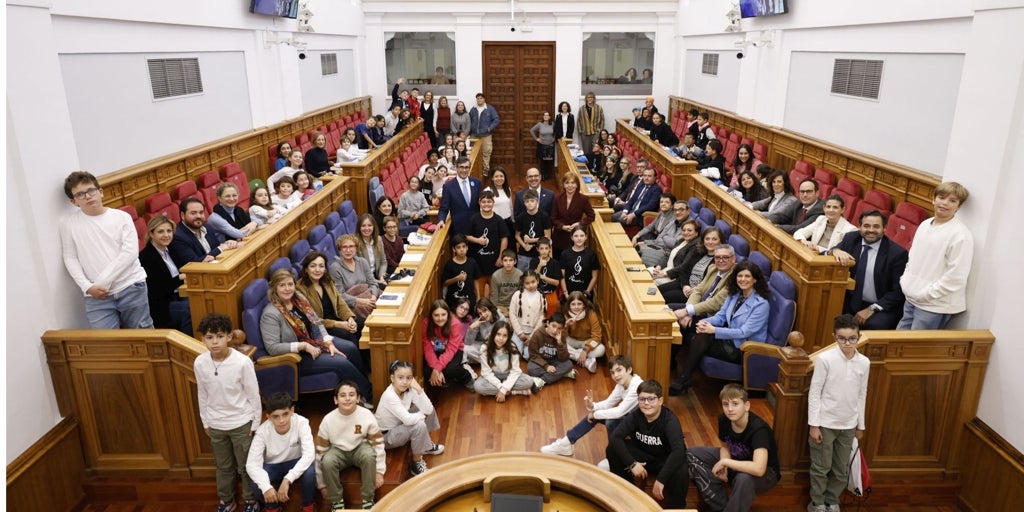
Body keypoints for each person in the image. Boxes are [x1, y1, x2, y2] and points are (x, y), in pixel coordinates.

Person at [60, 171, 153, 329]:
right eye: (80, 194)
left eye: (91, 191)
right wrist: (87, 287)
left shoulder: (121, 217)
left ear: (100, 192)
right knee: (106, 344)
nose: (88, 196)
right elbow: (70, 257)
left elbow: (129, 253)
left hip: (130, 285)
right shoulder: (68, 224)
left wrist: (102, 282)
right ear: (73, 201)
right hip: (94, 294)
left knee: (143, 336)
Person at [261, 269, 373, 401]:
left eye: (290, 284)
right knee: (341, 362)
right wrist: (303, 346)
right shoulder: (270, 314)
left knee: (351, 348)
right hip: (299, 357)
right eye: (282, 285)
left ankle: (361, 389)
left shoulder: (299, 299)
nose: (287, 289)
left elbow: (317, 323)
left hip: (316, 342)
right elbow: (272, 347)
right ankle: (370, 396)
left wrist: (328, 342)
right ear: (274, 288)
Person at [193, 313, 262, 512]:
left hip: (242, 423)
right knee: (223, 467)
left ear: (229, 337)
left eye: (220, 336)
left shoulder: (242, 362)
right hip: (216, 424)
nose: (215, 342)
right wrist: (205, 421)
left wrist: (255, 423)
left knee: (246, 466)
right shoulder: (200, 362)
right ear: (202, 339)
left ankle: (250, 500)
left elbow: (253, 395)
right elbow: (202, 393)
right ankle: (226, 500)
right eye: (209, 337)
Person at [675, 261, 770, 394]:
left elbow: (744, 332)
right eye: (739, 276)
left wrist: (713, 330)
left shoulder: (761, 304)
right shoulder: (734, 294)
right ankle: (683, 377)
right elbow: (720, 317)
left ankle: (683, 378)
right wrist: (704, 322)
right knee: (700, 332)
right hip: (729, 340)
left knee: (703, 337)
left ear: (755, 280)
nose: (743, 279)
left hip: (743, 348)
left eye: (747, 276)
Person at [807, 314, 870, 512]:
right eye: (842, 338)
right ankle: (817, 503)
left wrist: (861, 425)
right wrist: (814, 425)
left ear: (858, 337)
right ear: (834, 337)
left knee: (841, 469)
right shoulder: (825, 359)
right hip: (825, 424)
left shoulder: (864, 362)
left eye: (852, 338)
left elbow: (862, 394)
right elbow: (815, 392)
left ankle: (832, 501)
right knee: (821, 468)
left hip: (848, 425)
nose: (847, 343)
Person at [688, 383, 780, 512]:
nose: (730, 409)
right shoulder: (724, 419)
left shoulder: (759, 429)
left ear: (747, 406)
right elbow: (726, 446)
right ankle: (721, 505)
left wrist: (725, 462)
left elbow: (759, 469)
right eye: (726, 404)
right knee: (691, 453)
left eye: (735, 404)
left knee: (743, 479)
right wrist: (725, 466)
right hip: (736, 461)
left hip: (765, 474)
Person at [897, 182, 974, 330]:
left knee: (915, 349)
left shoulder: (960, 235)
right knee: (897, 343)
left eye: (952, 201)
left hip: (934, 305)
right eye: (942, 197)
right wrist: (905, 282)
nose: (945, 203)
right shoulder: (925, 224)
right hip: (911, 296)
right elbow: (913, 258)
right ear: (933, 199)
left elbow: (956, 276)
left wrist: (927, 294)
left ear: (959, 206)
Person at [606, 379, 689, 509]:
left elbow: (678, 451)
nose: (646, 403)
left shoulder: (669, 420)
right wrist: (632, 463)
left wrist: (661, 479)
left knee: (682, 471)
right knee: (612, 449)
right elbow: (616, 437)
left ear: (660, 401)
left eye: (651, 399)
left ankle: (674, 508)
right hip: (643, 457)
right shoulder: (636, 416)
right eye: (642, 399)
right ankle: (626, 493)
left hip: (664, 460)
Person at [541, 355, 642, 456]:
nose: (616, 375)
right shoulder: (622, 384)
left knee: (611, 420)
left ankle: (614, 456)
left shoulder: (637, 387)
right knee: (600, 415)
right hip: (631, 419)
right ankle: (565, 444)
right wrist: (592, 406)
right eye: (612, 373)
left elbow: (619, 412)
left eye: (619, 370)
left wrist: (595, 414)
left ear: (629, 370)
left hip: (643, 428)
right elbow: (608, 403)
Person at [829, 210, 908, 329]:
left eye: (876, 226)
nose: (871, 230)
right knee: (828, 309)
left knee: (874, 324)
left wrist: (873, 308)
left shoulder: (897, 254)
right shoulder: (851, 238)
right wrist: (835, 250)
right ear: (859, 227)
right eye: (866, 226)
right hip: (851, 299)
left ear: (884, 228)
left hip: (881, 304)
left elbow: (898, 291)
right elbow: (835, 249)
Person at [315, 381, 385, 511]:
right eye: (342, 395)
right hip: (338, 451)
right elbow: (320, 452)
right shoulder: (328, 420)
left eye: (352, 395)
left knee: (369, 455)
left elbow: (378, 443)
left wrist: (379, 472)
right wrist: (322, 484)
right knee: (327, 461)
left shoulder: (366, 415)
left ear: (358, 398)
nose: (347, 398)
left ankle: (368, 500)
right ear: (336, 400)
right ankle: (337, 502)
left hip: (359, 447)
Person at [244, 392, 317, 512]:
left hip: (295, 461)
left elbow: (309, 454)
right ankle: (273, 508)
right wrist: (266, 487)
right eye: (276, 416)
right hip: (273, 466)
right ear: (268, 417)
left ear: (292, 411)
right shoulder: (262, 431)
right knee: (254, 482)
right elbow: (251, 464)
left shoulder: (302, 423)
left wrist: (287, 479)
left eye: (285, 414)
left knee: (310, 473)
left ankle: (307, 505)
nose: (282, 420)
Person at [376, 360, 446, 476]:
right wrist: (421, 416)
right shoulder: (389, 396)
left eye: (409, 378)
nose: (405, 382)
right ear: (392, 378)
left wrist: (419, 389)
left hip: (399, 425)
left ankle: (425, 445)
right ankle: (416, 463)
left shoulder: (410, 389)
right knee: (419, 424)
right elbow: (408, 420)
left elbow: (428, 409)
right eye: (400, 378)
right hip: (386, 436)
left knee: (427, 409)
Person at [296, 251, 365, 361]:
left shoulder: (327, 281)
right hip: (321, 326)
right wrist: (339, 324)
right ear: (306, 269)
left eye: (321, 266)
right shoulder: (300, 289)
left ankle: (369, 362)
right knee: (346, 334)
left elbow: (340, 302)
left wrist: (349, 318)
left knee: (363, 323)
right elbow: (312, 320)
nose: (317, 270)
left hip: (337, 318)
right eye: (313, 266)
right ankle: (360, 364)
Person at [138, 216, 192, 334]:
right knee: (191, 308)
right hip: (162, 304)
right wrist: (180, 278)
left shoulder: (171, 248)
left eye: (169, 231)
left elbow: (184, 267)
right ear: (151, 234)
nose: (166, 235)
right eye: (160, 232)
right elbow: (157, 289)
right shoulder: (145, 257)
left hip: (180, 294)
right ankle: (188, 346)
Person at [658, 226, 724, 305]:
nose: (710, 242)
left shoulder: (720, 260)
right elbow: (683, 269)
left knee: (664, 297)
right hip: (683, 284)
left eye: (714, 239)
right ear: (703, 240)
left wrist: (692, 289)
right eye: (707, 239)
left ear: (720, 241)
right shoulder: (697, 252)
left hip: (694, 293)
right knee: (657, 291)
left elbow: (710, 284)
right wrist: (685, 285)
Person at [169, 197, 240, 268]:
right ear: (182, 215)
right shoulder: (177, 236)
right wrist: (221, 248)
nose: (198, 216)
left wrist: (227, 243)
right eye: (193, 213)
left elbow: (216, 247)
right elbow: (193, 263)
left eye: (201, 212)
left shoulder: (207, 227)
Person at [474, 320, 536, 398]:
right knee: (478, 386)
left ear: (508, 337)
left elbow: (515, 371)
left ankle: (503, 391)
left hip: (508, 374)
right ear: (493, 334)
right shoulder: (485, 348)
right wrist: (502, 387)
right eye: (498, 334)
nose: (501, 338)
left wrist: (504, 388)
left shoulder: (513, 348)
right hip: (493, 374)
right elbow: (486, 372)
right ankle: (511, 391)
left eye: (505, 335)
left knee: (528, 382)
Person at [422, 299, 473, 389]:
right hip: (436, 349)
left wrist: (437, 369)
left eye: (443, 315)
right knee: (425, 370)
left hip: (455, 350)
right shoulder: (426, 323)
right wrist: (436, 369)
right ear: (431, 316)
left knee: (450, 369)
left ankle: (467, 377)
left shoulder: (455, 323)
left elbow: (451, 349)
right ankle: (443, 379)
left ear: (448, 314)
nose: (440, 318)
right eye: (436, 315)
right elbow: (427, 348)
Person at [329, 234, 381, 321]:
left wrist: (373, 297)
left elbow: (373, 283)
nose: (348, 250)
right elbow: (339, 295)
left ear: (356, 248)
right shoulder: (335, 268)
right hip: (351, 305)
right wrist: (361, 301)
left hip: (369, 298)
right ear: (339, 250)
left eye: (351, 246)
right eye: (344, 247)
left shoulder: (362, 262)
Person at [467, 190, 510, 288]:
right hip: (478, 261)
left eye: (489, 201)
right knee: (479, 292)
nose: (486, 204)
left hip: (494, 261)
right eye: (484, 202)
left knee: (494, 292)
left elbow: (504, 239)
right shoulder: (474, 219)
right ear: (479, 202)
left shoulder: (499, 220)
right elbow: (467, 236)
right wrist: (478, 240)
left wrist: (501, 257)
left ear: (493, 202)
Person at [793, 195, 857, 254]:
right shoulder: (821, 219)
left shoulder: (850, 230)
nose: (831, 210)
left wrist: (817, 248)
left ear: (842, 210)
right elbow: (799, 232)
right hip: (812, 255)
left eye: (835, 207)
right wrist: (804, 241)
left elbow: (840, 253)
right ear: (824, 208)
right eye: (828, 207)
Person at [551, 172, 597, 254]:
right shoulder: (557, 198)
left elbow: (591, 216)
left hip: (575, 238)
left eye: (573, 183)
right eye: (567, 183)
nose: (570, 185)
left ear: (577, 185)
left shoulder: (583, 199)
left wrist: (579, 223)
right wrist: (562, 226)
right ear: (563, 185)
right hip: (559, 237)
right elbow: (553, 218)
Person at [526, 313, 575, 389]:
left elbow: (564, 358)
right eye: (553, 326)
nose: (555, 331)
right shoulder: (537, 334)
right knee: (531, 369)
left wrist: (560, 343)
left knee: (568, 365)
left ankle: (542, 380)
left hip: (555, 360)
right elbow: (533, 355)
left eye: (559, 328)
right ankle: (562, 374)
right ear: (548, 323)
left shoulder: (562, 336)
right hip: (540, 359)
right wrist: (546, 366)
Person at [633, 193, 681, 268]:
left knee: (641, 244)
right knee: (641, 237)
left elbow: (665, 240)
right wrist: (636, 236)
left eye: (666, 202)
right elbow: (650, 227)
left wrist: (644, 242)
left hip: (662, 244)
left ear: (672, 205)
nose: (663, 204)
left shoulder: (673, 218)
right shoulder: (661, 213)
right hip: (656, 238)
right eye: (661, 202)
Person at [436, 156, 481, 236]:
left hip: (476, 226)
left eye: (466, 167)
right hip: (459, 228)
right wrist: (441, 220)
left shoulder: (477, 183)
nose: (464, 170)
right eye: (461, 167)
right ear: (456, 168)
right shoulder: (448, 187)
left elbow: (481, 202)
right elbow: (443, 208)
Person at [562, 291, 605, 373]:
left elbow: (597, 337)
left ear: (584, 305)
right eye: (573, 304)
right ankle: (586, 362)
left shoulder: (591, 314)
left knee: (601, 349)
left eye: (579, 304)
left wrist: (585, 350)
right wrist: (566, 326)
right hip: (572, 340)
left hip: (587, 341)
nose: (576, 307)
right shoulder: (566, 314)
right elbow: (561, 336)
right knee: (558, 344)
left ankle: (577, 355)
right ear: (569, 306)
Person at [651, 218, 701, 287]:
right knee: (645, 272)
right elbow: (668, 255)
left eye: (689, 230)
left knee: (652, 282)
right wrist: (659, 267)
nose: (686, 232)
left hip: (675, 276)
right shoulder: (682, 240)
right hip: (664, 269)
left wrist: (664, 273)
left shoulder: (695, 246)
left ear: (696, 233)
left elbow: (683, 266)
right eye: (684, 230)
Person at [509, 270, 546, 358]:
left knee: (528, 356)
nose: (530, 285)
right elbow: (512, 313)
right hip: (519, 332)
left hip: (533, 334)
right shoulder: (517, 295)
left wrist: (532, 336)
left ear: (537, 280)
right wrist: (520, 333)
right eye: (527, 283)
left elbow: (542, 317)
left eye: (533, 282)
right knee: (513, 355)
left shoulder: (542, 298)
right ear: (523, 283)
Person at [441, 233, 482, 310]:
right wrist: (457, 278)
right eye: (458, 247)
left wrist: (478, 297)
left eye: (464, 246)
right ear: (454, 249)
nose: (461, 249)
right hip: (453, 301)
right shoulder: (449, 264)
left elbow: (476, 280)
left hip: (470, 300)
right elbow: (445, 282)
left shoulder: (472, 262)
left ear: (467, 247)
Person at [463, 298, 505, 370]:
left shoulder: (500, 318)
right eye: (480, 313)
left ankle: (485, 362)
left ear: (490, 309)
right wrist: (471, 328)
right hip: (482, 346)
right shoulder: (478, 320)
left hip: (496, 346)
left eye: (485, 310)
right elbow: (468, 342)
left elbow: (503, 339)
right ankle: (490, 363)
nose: (483, 315)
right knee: (465, 348)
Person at [560, 227, 600, 299]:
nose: (579, 238)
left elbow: (594, 277)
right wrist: (566, 293)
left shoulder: (591, 254)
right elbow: (562, 276)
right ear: (572, 238)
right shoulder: (565, 254)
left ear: (586, 237)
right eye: (576, 236)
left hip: (586, 294)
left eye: (582, 236)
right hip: (569, 294)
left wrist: (586, 293)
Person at [469, 92, 500, 174]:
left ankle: (485, 169)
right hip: (475, 135)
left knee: (486, 152)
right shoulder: (473, 109)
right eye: (478, 98)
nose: (479, 100)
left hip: (486, 135)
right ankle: (475, 171)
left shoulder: (490, 109)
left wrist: (490, 128)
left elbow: (496, 119)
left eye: (481, 98)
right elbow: (469, 120)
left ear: (484, 99)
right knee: (474, 153)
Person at [531, 237, 562, 317]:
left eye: (546, 248)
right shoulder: (534, 261)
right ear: (537, 249)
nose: (544, 251)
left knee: (550, 316)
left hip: (550, 293)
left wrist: (543, 277)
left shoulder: (555, 263)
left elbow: (556, 282)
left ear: (550, 249)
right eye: (541, 248)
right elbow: (531, 279)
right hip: (536, 293)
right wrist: (539, 266)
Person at [356, 214, 388, 286]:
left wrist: (381, 277)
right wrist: (376, 281)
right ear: (359, 228)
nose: (367, 228)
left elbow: (383, 262)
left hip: (377, 274)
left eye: (369, 225)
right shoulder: (355, 243)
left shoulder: (378, 239)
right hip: (364, 279)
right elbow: (359, 271)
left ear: (374, 227)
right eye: (363, 226)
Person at [490, 250, 522, 317]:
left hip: (515, 305)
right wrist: (494, 311)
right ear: (501, 261)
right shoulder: (495, 275)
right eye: (505, 260)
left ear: (515, 262)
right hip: (500, 306)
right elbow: (494, 296)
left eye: (510, 260)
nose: (508, 263)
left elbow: (521, 295)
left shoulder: (520, 275)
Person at [486, 166, 514, 234]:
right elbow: (483, 209)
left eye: (501, 176)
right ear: (492, 178)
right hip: (494, 223)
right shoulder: (488, 191)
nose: (499, 178)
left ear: (505, 178)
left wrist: (513, 220)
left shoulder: (508, 189)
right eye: (496, 176)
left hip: (508, 222)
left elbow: (510, 207)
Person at [577, 92, 605, 156]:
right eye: (588, 97)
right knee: (586, 151)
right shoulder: (582, 108)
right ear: (586, 99)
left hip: (596, 132)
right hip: (585, 132)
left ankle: (595, 164)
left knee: (595, 149)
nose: (590, 99)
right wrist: (580, 131)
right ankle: (588, 164)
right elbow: (579, 120)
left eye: (591, 97)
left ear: (594, 98)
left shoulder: (599, 108)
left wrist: (600, 131)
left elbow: (602, 119)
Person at [530, 111, 556, 179]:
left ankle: (547, 174)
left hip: (550, 146)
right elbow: (531, 130)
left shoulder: (552, 124)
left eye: (547, 115)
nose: (546, 116)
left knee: (549, 160)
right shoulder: (540, 124)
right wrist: (536, 139)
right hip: (542, 145)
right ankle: (543, 175)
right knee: (543, 161)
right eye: (544, 115)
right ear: (543, 117)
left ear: (549, 117)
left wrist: (554, 138)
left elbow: (556, 131)